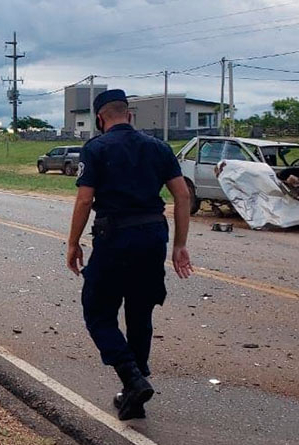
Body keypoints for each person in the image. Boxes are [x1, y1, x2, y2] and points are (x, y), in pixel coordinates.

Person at [66, 89, 193, 421]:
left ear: (99, 119)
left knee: (97, 311)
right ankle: (134, 396)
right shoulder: (159, 147)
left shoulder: (95, 148)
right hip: (153, 237)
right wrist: (180, 244)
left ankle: (131, 377)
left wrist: (73, 243)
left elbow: (84, 200)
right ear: (130, 115)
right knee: (140, 313)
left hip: (115, 237)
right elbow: (182, 196)